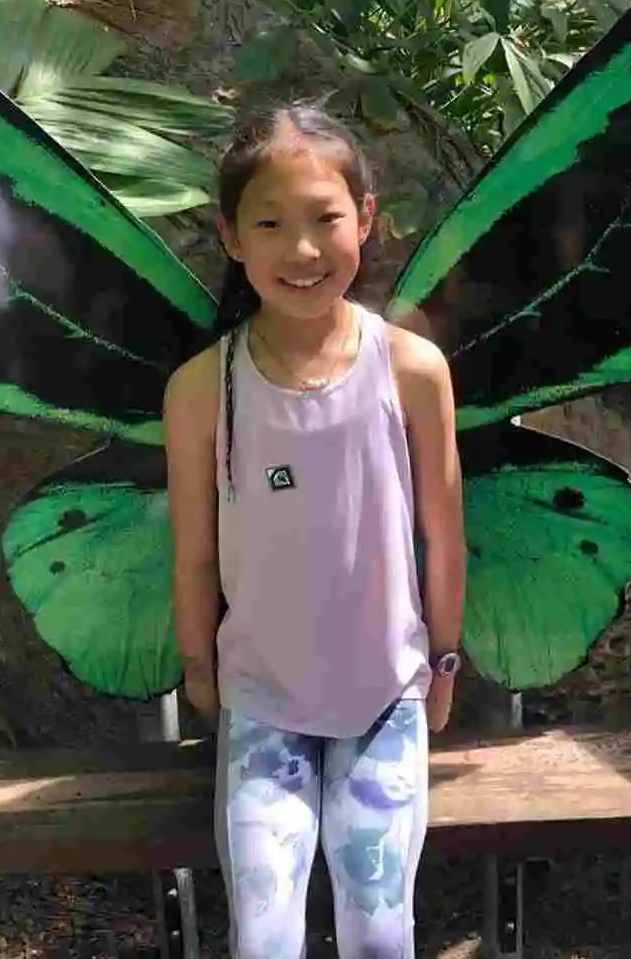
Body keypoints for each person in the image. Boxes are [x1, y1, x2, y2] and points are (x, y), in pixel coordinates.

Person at [163, 100, 466, 959]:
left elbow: (443, 535)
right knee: (264, 936)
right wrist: (200, 667)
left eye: (325, 218)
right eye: (269, 223)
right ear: (231, 236)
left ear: (364, 220)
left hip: (384, 696)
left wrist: (443, 662)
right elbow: (191, 551)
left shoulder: (409, 369)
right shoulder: (200, 388)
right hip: (262, 702)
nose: (301, 249)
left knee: (378, 929)